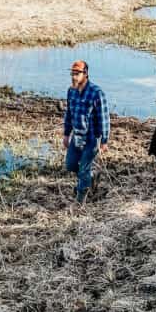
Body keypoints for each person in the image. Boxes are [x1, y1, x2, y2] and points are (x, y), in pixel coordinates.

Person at [63, 59, 110, 204]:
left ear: (86, 74)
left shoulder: (96, 93)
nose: (74, 76)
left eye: (77, 73)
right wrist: (66, 134)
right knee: (70, 165)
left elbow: (104, 117)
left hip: (91, 139)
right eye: (72, 73)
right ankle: (91, 176)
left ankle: (80, 201)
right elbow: (69, 114)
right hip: (76, 137)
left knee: (83, 169)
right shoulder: (71, 91)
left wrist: (104, 140)